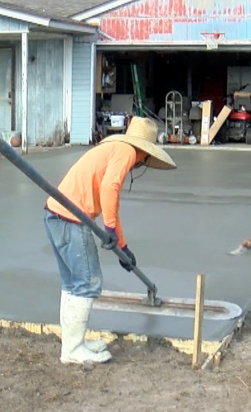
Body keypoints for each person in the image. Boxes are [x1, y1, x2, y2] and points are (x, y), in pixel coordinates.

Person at [44, 116, 176, 364]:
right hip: (71, 219)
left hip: (56, 214)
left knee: (72, 284)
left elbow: (111, 203)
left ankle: (73, 344)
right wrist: (110, 229)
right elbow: (109, 189)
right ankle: (72, 350)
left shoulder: (114, 149)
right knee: (87, 283)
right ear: (145, 154)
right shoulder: (127, 151)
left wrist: (122, 246)